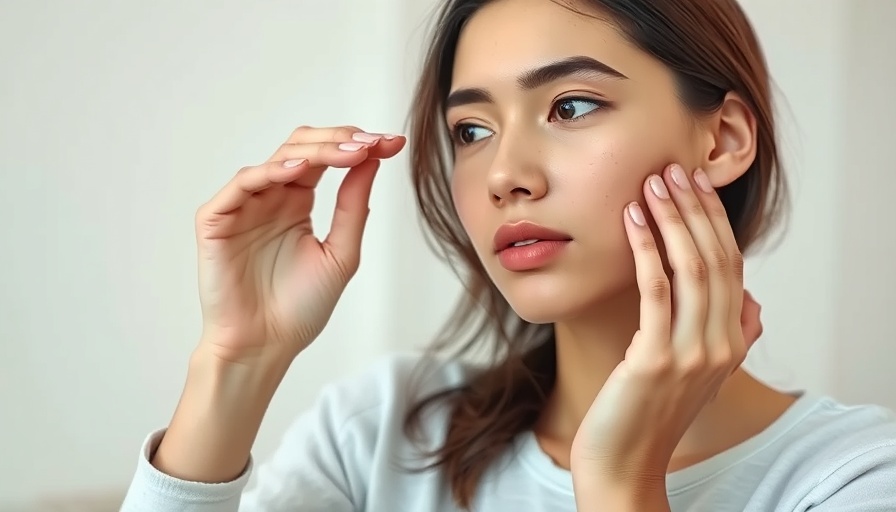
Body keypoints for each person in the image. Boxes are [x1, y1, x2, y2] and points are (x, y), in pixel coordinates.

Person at [120, 0, 896, 510]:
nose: (504, 177)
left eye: (572, 105)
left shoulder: (852, 480)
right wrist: (237, 361)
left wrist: (623, 480)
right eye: (472, 131)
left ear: (722, 138)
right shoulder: (382, 434)